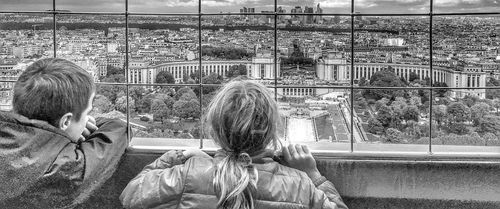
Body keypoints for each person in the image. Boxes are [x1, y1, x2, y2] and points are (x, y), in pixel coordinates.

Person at [120, 79, 347, 209]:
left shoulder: (190, 174)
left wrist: (182, 157)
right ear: (271, 131)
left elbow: (131, 194)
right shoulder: (300, 185)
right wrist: (314, 175)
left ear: (217, 131)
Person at [0, 58, 130, 209]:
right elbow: (118, 128)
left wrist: (77, 121)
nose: (87, 118)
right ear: (66, 121)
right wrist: (82, 128)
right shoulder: (63, 168)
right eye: (87, 113)